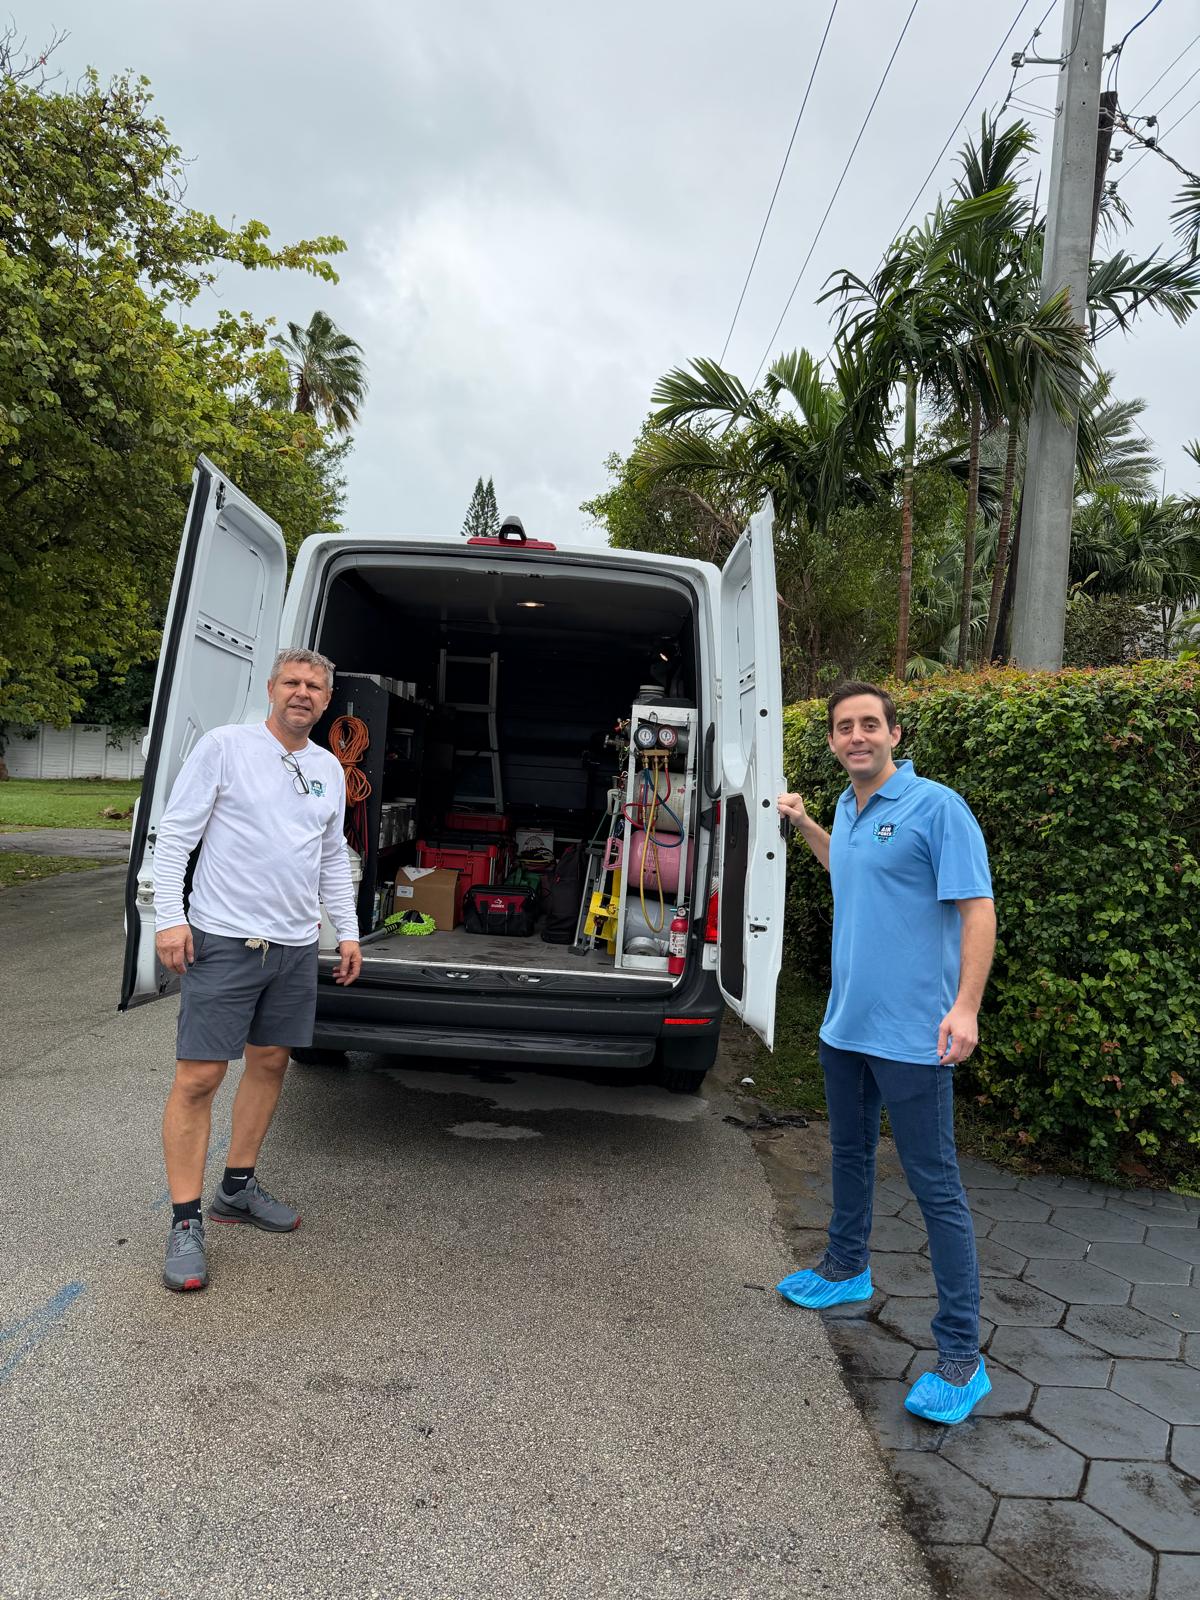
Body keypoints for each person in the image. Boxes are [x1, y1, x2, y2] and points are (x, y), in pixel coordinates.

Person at [776, 681, 996, 1425]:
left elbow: (977, 908)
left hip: (913, 1037)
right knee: (847, 1152)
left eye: (870, 724)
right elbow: (851, 870)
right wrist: (806, 821)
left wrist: (964, 1007)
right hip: (847, 1028)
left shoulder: (938, 808)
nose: (856, 736)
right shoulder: (849, 805)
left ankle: (962, 1358)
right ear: (834, 742)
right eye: (844, 727)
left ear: (895, 734)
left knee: (937, 1190)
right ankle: (845, 1269)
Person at [153, 648, 362, 1294]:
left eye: (315, 686)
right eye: (292, 682)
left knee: (271, 1063)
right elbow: (177, 835)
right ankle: (186, 1222)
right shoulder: (225, 747)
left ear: (327, 702)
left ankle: (236, 1188)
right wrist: (168, 916)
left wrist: (346, 930)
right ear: (271, 688)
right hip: (225, 940)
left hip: (295, 947)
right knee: (200, 1077)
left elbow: (331, 858)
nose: (302, 693)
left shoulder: (327, 768)